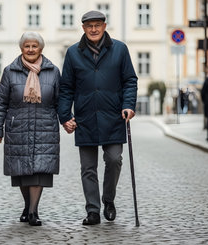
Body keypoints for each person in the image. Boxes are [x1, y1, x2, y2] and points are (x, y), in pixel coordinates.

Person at [58, 10, 138, 225]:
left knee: (114, 159)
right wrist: (65, 116)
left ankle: (108, 199)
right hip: (85, 117)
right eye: (89, 26)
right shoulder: (73, 52)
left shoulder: (119, 49)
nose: (93, 29)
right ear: (83, 28)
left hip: (113, 116)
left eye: (97, 25)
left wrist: (128, 106)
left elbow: (130, 80)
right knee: (88, 168)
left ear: (104, 26)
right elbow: (66, 88)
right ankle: (93, 210)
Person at [0, 32, 60, 226]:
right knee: (22, 172)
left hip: (45, 127)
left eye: (34, 46)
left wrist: (67, 121)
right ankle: (27, 205)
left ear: (41, 48)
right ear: (21, 48)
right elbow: (0, 102)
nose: (30, 49)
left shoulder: (53, 71)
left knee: (39, 170)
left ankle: (33, 212)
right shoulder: (9, 71)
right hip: (17, 126)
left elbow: (60, 102)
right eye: (27, 46)